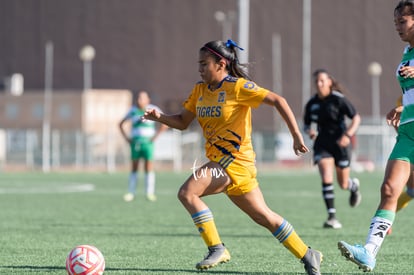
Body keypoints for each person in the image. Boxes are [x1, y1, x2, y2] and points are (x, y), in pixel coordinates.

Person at [143, 39, 322, 275]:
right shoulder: (199, 90)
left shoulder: (237, 87)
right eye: (198, 64)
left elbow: (279, 101)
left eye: (204, 63)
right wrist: (160, 117)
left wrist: (296, 136)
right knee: (265, 217)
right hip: (227, 165)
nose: (199, 68)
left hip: (235, 161)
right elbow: (183, 122)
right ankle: (308, 254)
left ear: (221, 64)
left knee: (187, 193)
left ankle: (217, 248)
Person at [338, 1, 414, 272]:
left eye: (402, 22)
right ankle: (369, 252)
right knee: (389, 189)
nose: (397, 27)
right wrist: (404, 108)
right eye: (395, 22)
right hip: (408, 133)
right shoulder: (407, 53)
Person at [303, 69, 362, 229]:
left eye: (322, 80)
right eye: (317, 81)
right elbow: (307, 124)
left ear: (329, 82)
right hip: (322, 144)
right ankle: (332, 217)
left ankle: (353, 186)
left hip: (340, 144)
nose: (319, 84)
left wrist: (348, 135)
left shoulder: (339, 100)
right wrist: (310, 131)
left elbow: (356, 118)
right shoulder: (312, 103)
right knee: (326, 177)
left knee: (343, 184)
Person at [119, 90, 168, 202]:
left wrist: (156, 136)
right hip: (136, 142)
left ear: (148, 100)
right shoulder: (132, 110)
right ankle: (131, 193)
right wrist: (127, 138)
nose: (139, 100)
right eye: (138, 98)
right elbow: (120, 124)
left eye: (142, 98)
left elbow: (165, 123)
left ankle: (149, 193)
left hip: (148, 143)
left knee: (148, 167)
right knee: (134, 167)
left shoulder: (152, 109)